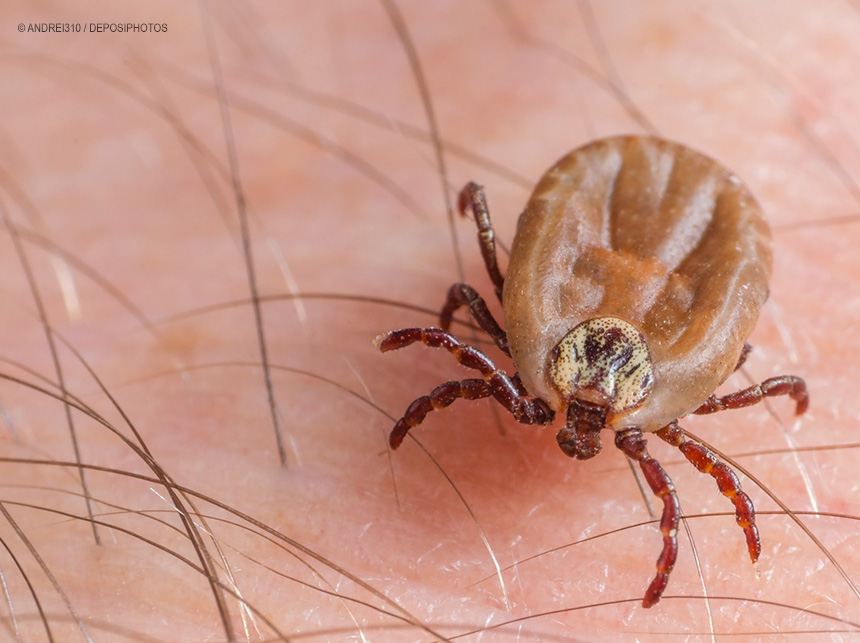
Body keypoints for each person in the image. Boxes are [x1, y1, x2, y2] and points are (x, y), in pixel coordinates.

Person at [4, 2, 856, 639]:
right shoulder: (633, 410)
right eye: (587, 417)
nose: (580, 427)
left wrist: (446, 333)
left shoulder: (570, 381)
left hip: (636, 259)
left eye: (584, 418)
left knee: (472, 327)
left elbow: (465, 313)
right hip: (640, 266)